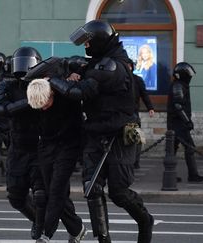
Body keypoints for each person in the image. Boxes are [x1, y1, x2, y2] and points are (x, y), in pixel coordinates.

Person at [57, 20, 154, 243]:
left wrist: (54, 81)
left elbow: (80, 92)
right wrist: (68, 67)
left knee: (119, 193)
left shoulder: (112, 66)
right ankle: (103, 240)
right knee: (92, 189)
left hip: (119, 136)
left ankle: (144, 221)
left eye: (89, 42)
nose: (86, 46)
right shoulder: (101, 62)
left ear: (99, 41)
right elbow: (86, 68)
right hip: (94, 133)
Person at [0, 46, 44, 240]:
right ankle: (37, 219)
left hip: (40, 146)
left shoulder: (45, 84)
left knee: (40, 194)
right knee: (15, 197)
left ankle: (41, 227)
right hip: (18, 145)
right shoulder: (7, 84)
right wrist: (28, 103)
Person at [26, 79, 87, 243]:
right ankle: (76, 227)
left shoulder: (67, 99)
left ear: (51, 93)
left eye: (45, 103)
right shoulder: (38, 102)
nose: (43, 108)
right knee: (53, 191)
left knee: (56, 190)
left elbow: (79, 125)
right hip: (46, 146)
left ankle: (46, 234)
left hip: (68, 146)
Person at [167, 62, 203, 183]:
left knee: (172, 149)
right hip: (179, 123)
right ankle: (192, 175)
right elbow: (178, 106)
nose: (190, 78)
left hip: (176, 123)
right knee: (189, 148)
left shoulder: (180, 85)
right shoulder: (178, 86)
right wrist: (187, 121)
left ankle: (171, 175)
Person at [129, 60, 155, 169]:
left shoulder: (137, 80)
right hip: (121, 113)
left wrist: (150, 108)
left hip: (134, 114)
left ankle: (135, 161)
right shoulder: (119, 79)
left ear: (131, 67)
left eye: (128, 65)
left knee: (139, 137)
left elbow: (144, 94)